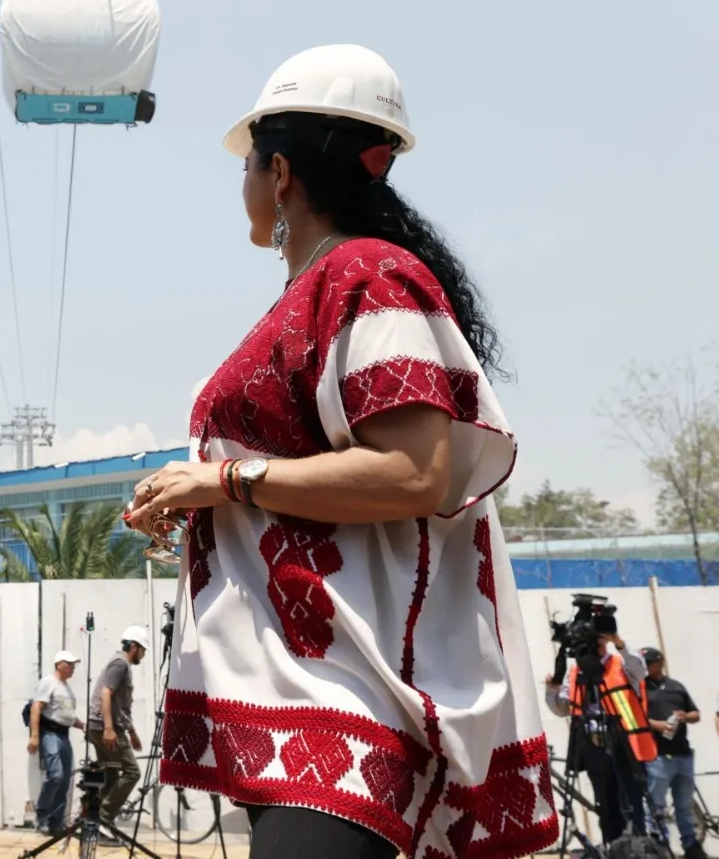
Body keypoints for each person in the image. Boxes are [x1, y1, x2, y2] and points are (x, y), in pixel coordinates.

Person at [123, 45, 553, 859]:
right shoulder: (330, 285)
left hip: (347, 694)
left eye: (246, 165)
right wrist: (205, 498)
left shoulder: (368, 275)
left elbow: (413, 471)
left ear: (279, 172)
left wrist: (223, 479)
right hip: (306, 695)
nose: (242, 185)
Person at [543, 628, 653, 844]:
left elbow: (641, 672)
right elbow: (562, 708)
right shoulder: (576, 672)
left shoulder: (621, 663)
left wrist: (619, 642)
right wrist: (552, 690)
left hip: (624, 744)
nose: (596, 646)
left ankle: (638, 849)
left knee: (631, 803)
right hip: (594, 746)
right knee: (606, 807)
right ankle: (612, 848)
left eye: (599, 640)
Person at [638, 648, 706, 859]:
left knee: (684, 804)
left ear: (660, 662)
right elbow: (635, 717)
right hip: (658, 756)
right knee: (656, 804)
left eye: (649, 662)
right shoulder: (641, 688)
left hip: (683, 755)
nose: (646, 667)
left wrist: (684, 716)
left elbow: (696, 714)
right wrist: (655, 725)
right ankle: (660, 845)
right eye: (643, 663)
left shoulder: (676, 687)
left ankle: (691, 844)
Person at [87, 628, 145, 834]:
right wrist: (110, 729)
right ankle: (103, 817)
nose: (143, 655)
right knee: (132, 772)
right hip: (104, 727)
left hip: (98, 726)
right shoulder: (120, 664)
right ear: (134, 647)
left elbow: (120, 705)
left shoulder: (121, 665)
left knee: (111, 775)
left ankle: (91, 820)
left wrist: (132, 731)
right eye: (142, 650)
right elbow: (106, 693)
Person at [29, 650, 83, 835]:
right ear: (59, 664)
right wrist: (35, 736)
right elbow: (36, 708)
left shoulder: (66, 687)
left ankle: (56, 823)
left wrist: (83, 725)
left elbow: (67, 715)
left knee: (65, 780)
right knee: (56, 775)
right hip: (50, 734)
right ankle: (42, 817)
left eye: (74, 664)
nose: (73, 667)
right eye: (69, 664)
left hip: (64, 735)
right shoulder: (48, 683)